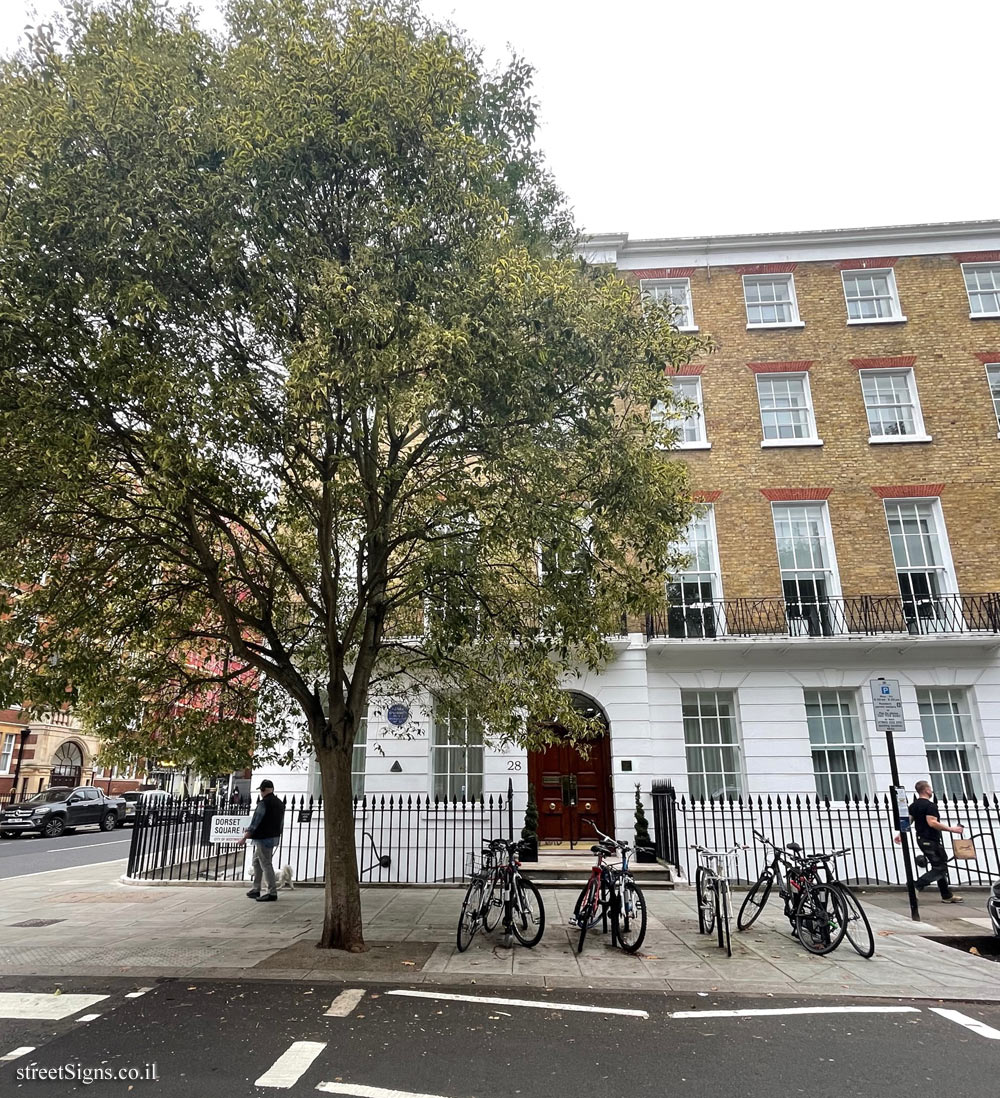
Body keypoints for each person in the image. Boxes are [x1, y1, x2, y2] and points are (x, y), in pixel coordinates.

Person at [908, 779, 964, 903]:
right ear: (927, 790)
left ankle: (946, 895)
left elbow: (909, 821)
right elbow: (932, 822)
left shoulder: (913, 805)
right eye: (930, 789)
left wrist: (900, 835)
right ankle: (917, 885)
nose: (931, 791)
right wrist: (952, 829)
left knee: (938, 866)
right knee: (941, 867)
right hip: (930, 840)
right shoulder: (930, 806)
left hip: (921, 839)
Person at [237, 780, 285, 902]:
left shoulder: (263, 803)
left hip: (263, 837)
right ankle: (256, 888)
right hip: (273, 836)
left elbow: (255, 822)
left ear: (263, 790)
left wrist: (245, 837)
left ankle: (271, 892)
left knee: (266, 864)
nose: (260, 792)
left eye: (261, 790)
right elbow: (281, 823)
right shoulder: (279, 803)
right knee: (256, 861)